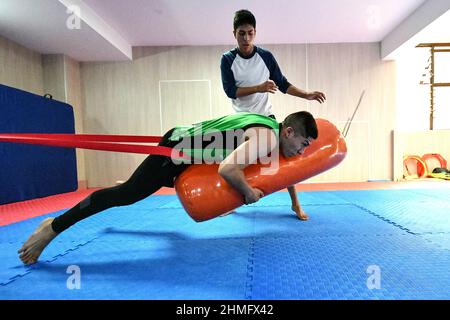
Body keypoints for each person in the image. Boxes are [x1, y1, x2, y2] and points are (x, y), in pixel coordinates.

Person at [18, 111, 318, 265]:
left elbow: (282, 173)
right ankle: (53, 227)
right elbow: (228, 169)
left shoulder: (269, 125)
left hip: (185, 146)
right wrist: (248, 194)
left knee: (137, 186)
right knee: (124, 197)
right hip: (177, 152)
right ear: (288, 132)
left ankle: (137, 182)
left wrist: (295, 203)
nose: (302, 152)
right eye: (303, 144)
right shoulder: (267, 139)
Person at [220, 9, 326, 221]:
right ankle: (228, 203)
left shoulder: (265, 57)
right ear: (234, 33)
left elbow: (283, 84)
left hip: (265, 118)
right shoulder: (228, 59)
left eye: (250, 33)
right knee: (234, 163)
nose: (246, 38)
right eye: (241, 33)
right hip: (241, 120)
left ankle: (295, 204)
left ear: (255, 32)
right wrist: (258, 87)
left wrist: (306, 95)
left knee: (284, 158)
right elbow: (230, 91)